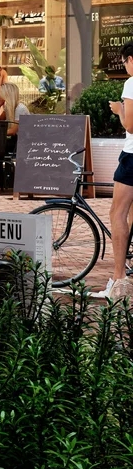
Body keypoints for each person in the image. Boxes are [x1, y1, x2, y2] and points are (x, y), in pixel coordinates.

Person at [105, 41, 133, 301]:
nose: (124, 67)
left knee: (118, 212)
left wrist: (120, 110)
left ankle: (119, 278)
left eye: (125, 62)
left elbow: (132, 126)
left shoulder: (131, 83)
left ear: (131, 59)